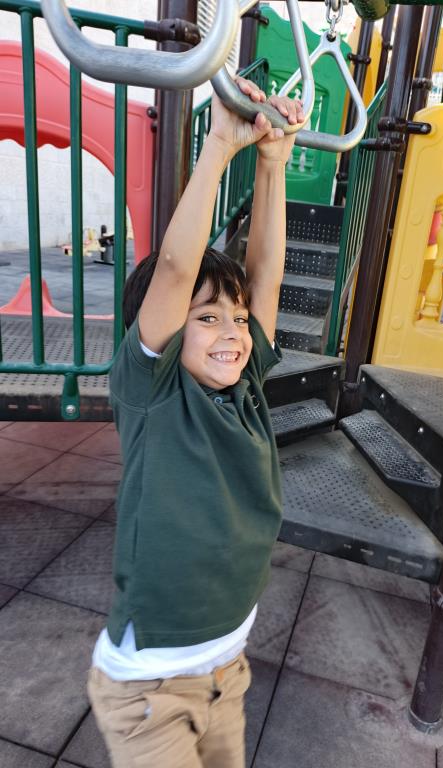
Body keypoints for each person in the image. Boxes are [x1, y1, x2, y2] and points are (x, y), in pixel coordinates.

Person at [87, 77, 305, 768]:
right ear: (165, 328)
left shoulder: (246, 388)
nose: (233, 333)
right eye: (206, 317)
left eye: (236, 319)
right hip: (150, 689)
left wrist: (272, 163)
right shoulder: (153, 393)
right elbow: (179, 266)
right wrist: (220, 147)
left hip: (226, 670)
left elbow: (264, 276)